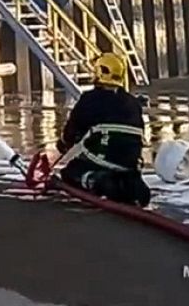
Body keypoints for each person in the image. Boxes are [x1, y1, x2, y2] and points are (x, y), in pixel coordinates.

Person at [57, 52, 151, 206]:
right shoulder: (133, 103)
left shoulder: (89, 100)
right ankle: (130, 186)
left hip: (101, 160)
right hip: (129, 165)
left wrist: (62, 145)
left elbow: (72, 133)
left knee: (69, 173)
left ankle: (96, 181)